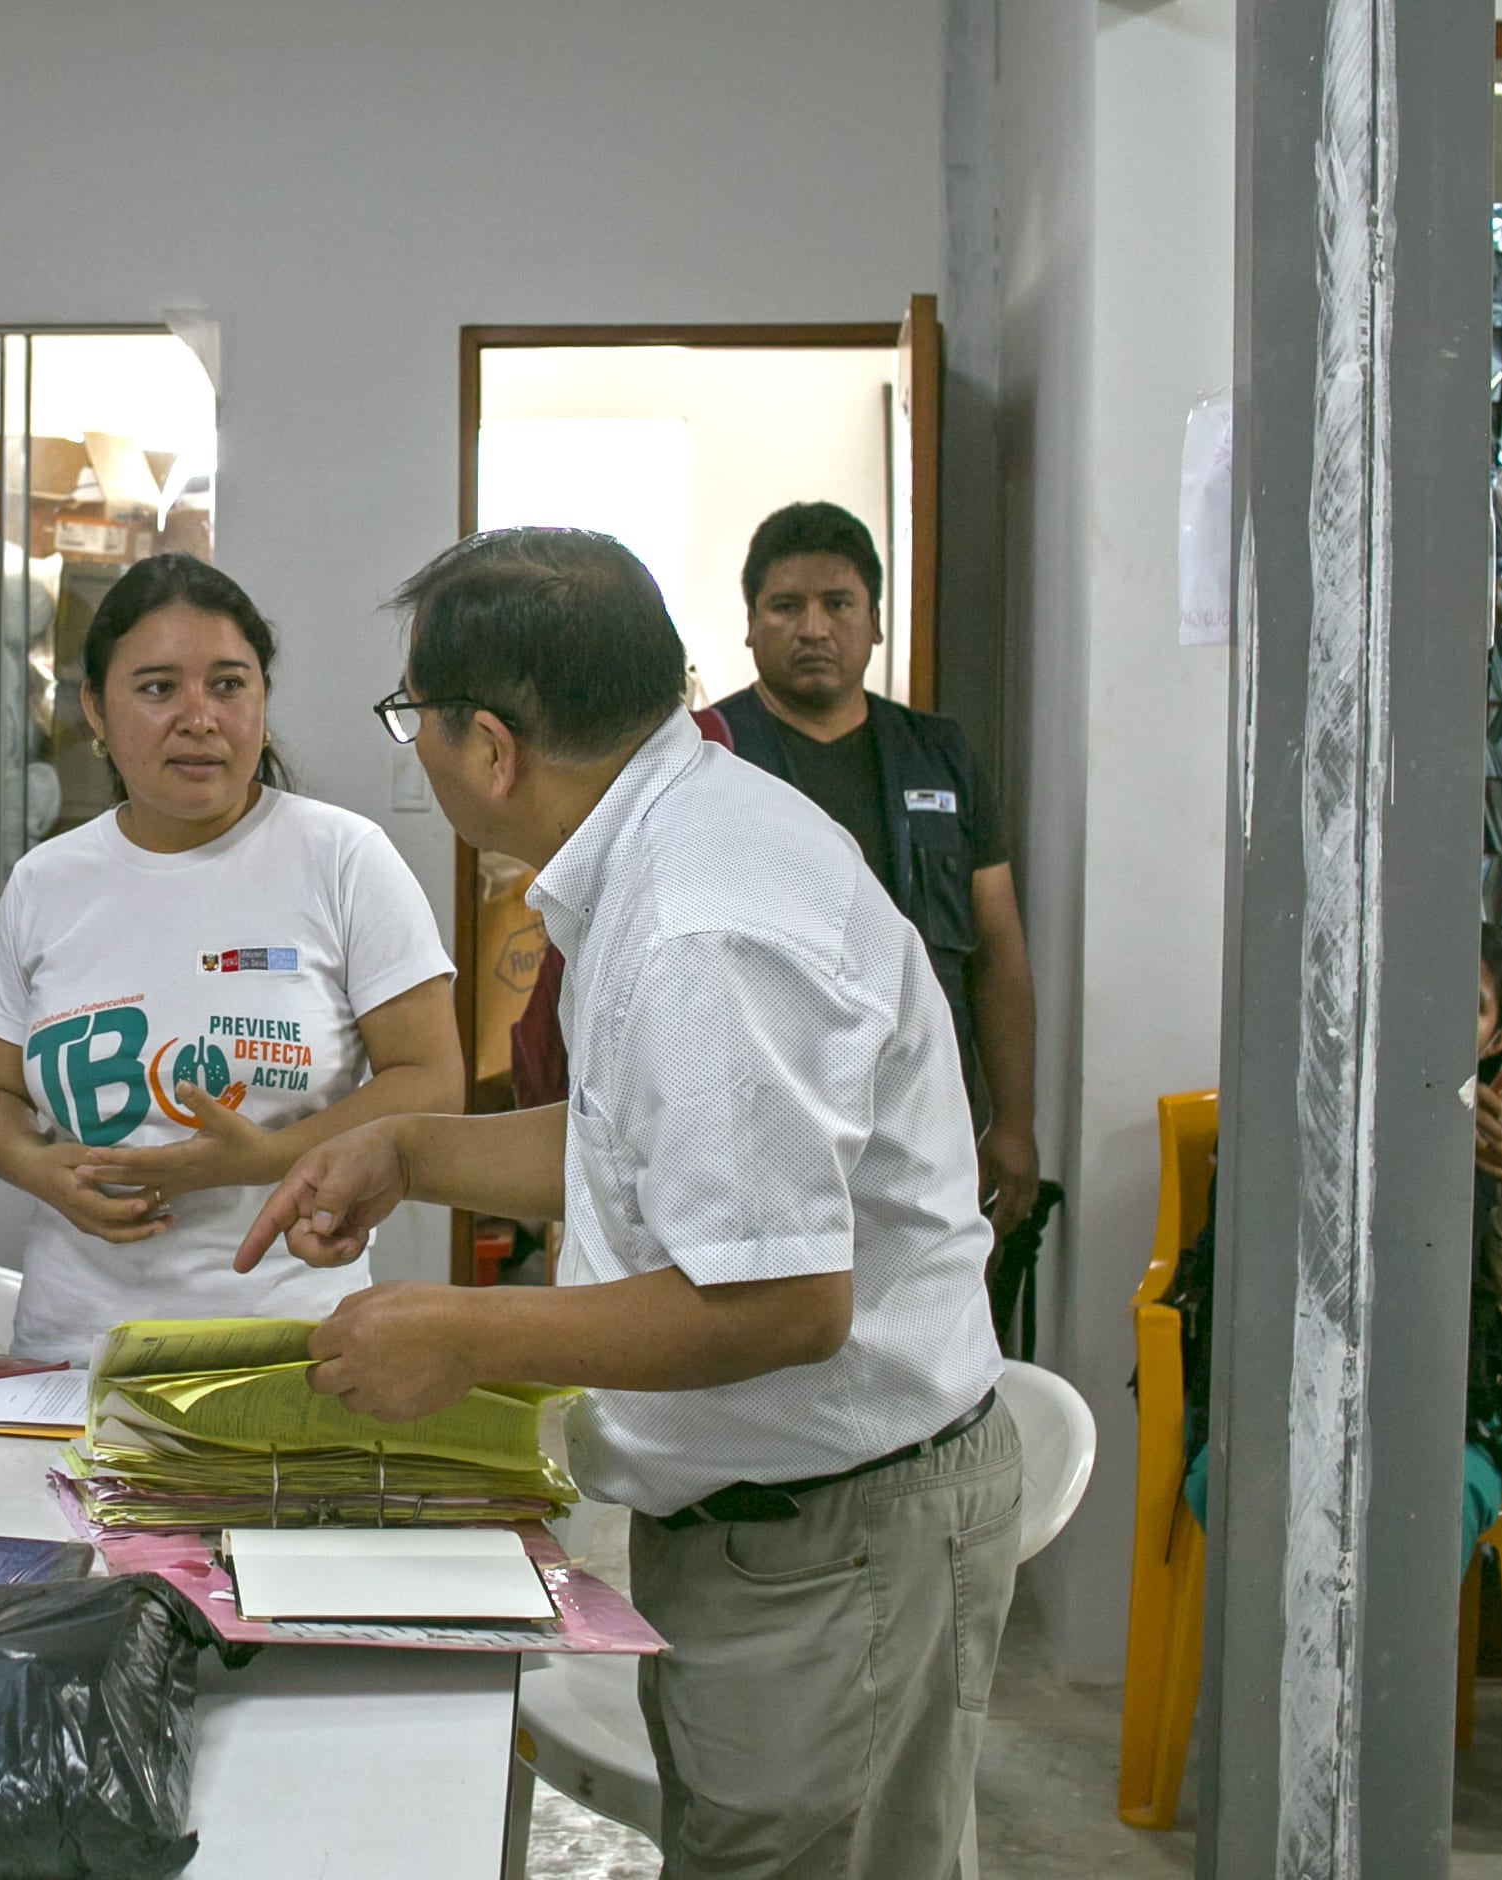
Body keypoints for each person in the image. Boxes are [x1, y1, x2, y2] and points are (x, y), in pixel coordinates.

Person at [243, 527, 1013, 1879]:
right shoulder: (670, 839)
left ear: (489, 745)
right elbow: (642, 1156)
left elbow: (777, 1299)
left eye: (412, 719)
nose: (412, 751)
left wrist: (466, 1340)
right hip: (770, 1519)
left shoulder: (700, 926)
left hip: (832, 1530)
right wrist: (414, 1152)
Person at [0, 553, 463, 1361]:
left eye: (228, 685)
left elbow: (430, 1081)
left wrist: (265, 1159)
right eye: (157, 688)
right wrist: (39, 1168)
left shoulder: (343, 858)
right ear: (94, 708)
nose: (199, 717)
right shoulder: (46, 882)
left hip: (286, 1343)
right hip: (71, 1346)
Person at [1175, 926, 1502, 1553]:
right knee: (1249, 1492)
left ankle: (1393, 1656)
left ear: (1498, 1040)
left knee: (1427, 1508)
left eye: (1472, 1004)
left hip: (1445, 1422)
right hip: (1288, 1400)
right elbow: (1241, 1261)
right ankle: (1275, 1654)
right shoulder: (1307, 1093)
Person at [713, 501, 1042, 1235]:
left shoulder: (939, 754)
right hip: (763, 1112)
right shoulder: (712, 755)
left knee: (926, 1326)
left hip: (925, 1109)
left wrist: (1012, 1124)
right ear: (749, 624)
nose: (812, 629)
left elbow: (998, 953)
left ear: (875, 621)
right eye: (784, 606)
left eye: (837, 604)